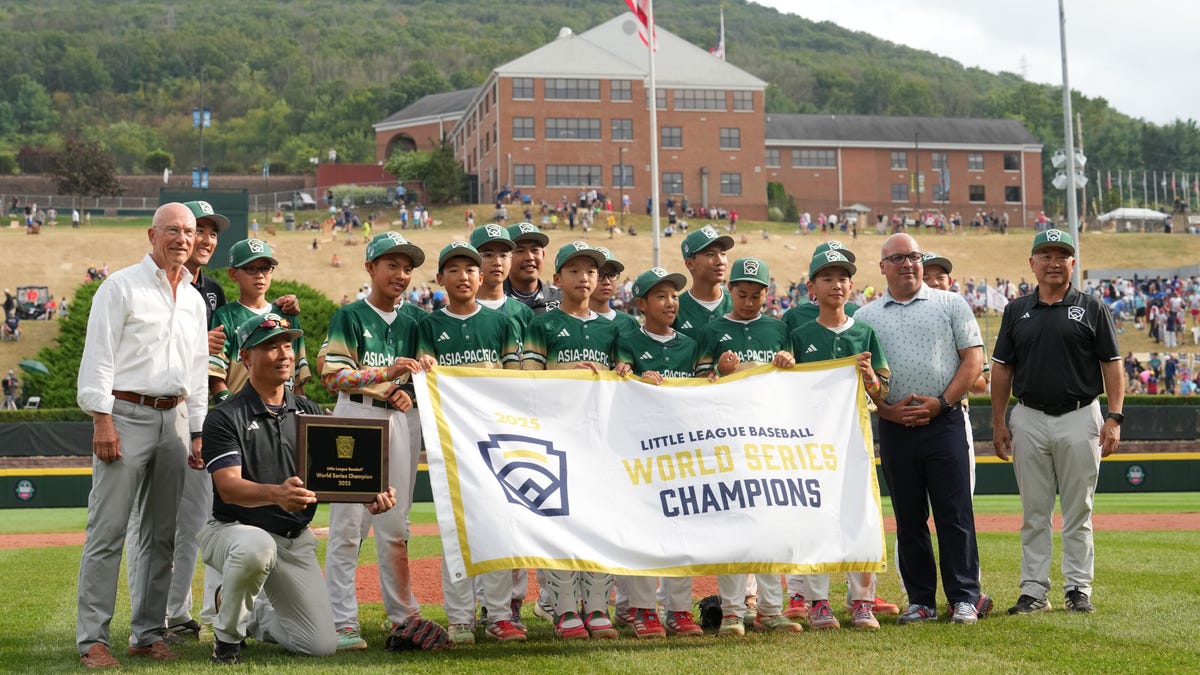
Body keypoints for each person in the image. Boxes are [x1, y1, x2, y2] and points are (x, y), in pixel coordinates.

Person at [199, 312, 397, 664]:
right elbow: (228, 489)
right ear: (245, 357)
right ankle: (227, 640)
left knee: (320, 645)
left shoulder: (309, 410)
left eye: (287, 345)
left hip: (293, 539)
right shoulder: (225, 416)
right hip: (235, 531)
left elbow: (340, 472)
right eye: (270, 346)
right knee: (255, 546)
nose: (284, 354)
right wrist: (276, 493)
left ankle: (245, 612)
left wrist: (371, 494)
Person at [74, 202, 208, 668]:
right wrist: (102, 417)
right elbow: (99, 356)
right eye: (173, 230)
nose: (183, 239)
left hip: (174, 419)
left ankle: (148, 634)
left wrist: (196, 432)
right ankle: (93, 639)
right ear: (152, 235)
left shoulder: (192, 298)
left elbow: (195, 372)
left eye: (189, 232)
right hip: (124, 414)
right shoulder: (120, 287)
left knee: (162, 535)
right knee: (108, 531)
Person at [853, 233, 991, 625]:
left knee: (955, 513)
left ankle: (964, 597)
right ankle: (921, 601)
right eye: (898, 258)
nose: (909, 264)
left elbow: (972, 361)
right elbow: (862, 377)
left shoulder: (951, 303)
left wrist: (941, 403)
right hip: (895, 426)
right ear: (882, 268)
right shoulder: (866, 317)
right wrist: (887, 410)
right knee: (909, 517)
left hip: (943, 420)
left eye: (913, 257)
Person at [991, 229, 1125, 615]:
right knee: (1034, 512)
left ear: (1072, 262)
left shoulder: (1092, 307)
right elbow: (1002, 370)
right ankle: (1033, 591)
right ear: (1032, 263)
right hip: (1029, 415)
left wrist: (1114, 417)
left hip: (1081, 414)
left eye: (1061, 254)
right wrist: (999, 422)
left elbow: (1111, 366)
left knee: (1078, 511)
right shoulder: (1016, 310)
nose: (1053, 261)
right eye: (1045, 254)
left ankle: (1078, 589)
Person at [415, 241, 525, 644]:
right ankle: (460, 617)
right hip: (451, 443)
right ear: (440, 279)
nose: (463, 276)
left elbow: (517, 384)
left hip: (496, 440)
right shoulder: (427, 326)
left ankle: (498, 614)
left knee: (496, 526)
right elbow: (423, 384)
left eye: (470, 269)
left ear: (483, 278)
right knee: (454, 532)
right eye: (454, 270)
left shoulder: (502, 322)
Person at [321, 232, 426, 650]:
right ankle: (342, 619)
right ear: (370, 268)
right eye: (391, 265)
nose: (400, 274)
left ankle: (402, 616)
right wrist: (385, 376)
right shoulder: (349, 316)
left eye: (406, 268)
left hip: (402, 420)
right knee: (348, 526)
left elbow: (423, 377)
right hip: (356, 415)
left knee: (395, 525)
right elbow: (333, 377)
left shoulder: (418, 320)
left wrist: (411, 390)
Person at [693, 257, 801, 636]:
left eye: (757, 294)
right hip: (727, 440)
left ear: (767, 293)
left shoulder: (777, 328)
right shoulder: (713, 329)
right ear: (731, 291)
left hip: (769, 441)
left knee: (772, 525)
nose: (749, 301)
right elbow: (695, 387)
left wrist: (788, 361)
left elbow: (793, 385)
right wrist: (718, 373)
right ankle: (734, 611)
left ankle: (772, 610)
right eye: (742, 293)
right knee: (732, 526)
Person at [786, 249, 889, 631]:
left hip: (855, 441)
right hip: (811, 443)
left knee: (860, 515)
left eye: (843, 278)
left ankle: (863, 601)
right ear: (812, 287)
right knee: (816, 517)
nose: (837, 285)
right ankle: (817, 601)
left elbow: (881, 391)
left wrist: (870, 377)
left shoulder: (864, 331)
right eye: (827, 278)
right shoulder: (799, 334)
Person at [522, 241, 621, 640]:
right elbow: (526, 380)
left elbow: (626, 377)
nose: (585, 278)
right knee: (558, 521)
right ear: (557, 278)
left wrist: (615, 372)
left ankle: (598, 605)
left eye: (591, 272)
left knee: (601, 522)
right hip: (555, 438)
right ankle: (563, 607)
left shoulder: (616, 327)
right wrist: (565, 376)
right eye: (576, 271)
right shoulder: (541, 324)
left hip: (600, 440)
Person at [612, 267, 704, 638]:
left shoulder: (690, 345)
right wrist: (632, 377)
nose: (671, 303)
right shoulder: (629, 340)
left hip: (681, 450)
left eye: (675, 296)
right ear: (641, 304)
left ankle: (680, 610)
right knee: (645, 529)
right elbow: (619, 384)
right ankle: (644, 610)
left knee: (682, 530)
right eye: (661, 296)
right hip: (641, 450)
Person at [208, 239, 311, 402]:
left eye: (265, 268)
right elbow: (215, 376)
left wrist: (302, 412)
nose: (260, 275)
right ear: (233, 274)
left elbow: (297, 380)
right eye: (251, 268)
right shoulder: (225, 316)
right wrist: (230, 409)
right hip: (241, 414)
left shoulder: (287, 314)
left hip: (285, 413)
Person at [674, 226, 734, 340]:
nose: (720, 261)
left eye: (723, 254)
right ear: (690, 264)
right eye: (710, 254)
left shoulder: (738, 304)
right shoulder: (674, 309)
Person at [503, 222, 561, 314]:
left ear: (543, 255)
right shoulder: (494, 301)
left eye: (535, 250)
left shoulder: (561, 301)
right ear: (505, 257)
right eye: (520, 251)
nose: (529, 257)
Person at [589, 247, 639, 338]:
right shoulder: (572, 320)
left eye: (612, 275)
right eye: (599, 275)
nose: (607, 282)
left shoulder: (629, 323)